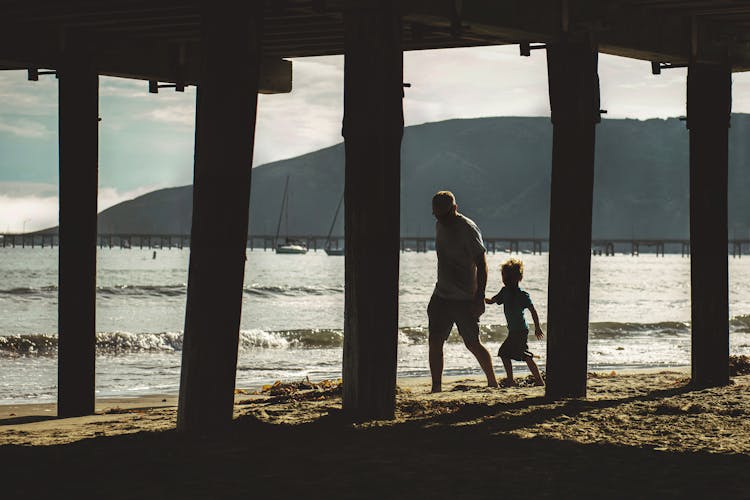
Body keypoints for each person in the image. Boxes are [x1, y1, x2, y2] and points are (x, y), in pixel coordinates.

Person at [428, 190, 498, 392]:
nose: (441, 219)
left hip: (465, 297)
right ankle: (436, 387)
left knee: (472, 343)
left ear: (455, 208)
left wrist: (479, 297)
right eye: (437, 215)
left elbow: (482, 264)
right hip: (441, 295)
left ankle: (493, 382)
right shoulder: (439, 224)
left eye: (445, 215)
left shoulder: (467, 229)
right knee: (435, 341)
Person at [485, 258, 545, 386]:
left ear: (519, 278)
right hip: (513, 330)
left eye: (508, 278)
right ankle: (516, 380)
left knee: (506, 353)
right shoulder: (504, 292)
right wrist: (479, 295)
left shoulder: (523, 295)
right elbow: (491, 301)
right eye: (504, 277)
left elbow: (533, 311)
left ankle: (534, 381)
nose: (505, 280)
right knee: (514, 354)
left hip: (521, 330)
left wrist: (538, 328)